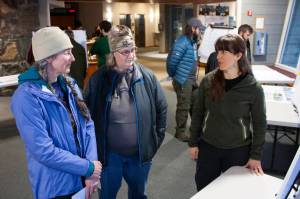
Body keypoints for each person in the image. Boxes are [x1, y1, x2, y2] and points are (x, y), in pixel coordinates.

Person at [11, 26, 101, 199]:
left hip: (82, 179)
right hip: (56, 187)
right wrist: (87, 167)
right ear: (49, 57)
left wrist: (91, 168)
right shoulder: (26, 97)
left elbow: (87, 124)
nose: (73, 58)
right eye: (67, 52)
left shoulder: (70, 85)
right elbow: (43, 150)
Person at [84, 25, 167, 199]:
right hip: (109, 156)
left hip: (139, 155)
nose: (131, 56)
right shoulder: (98, 80)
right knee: (107, 195)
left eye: (133, 50)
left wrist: (153, 142)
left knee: (139, 195)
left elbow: (161, 109)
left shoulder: (147, 77)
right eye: (125, 52)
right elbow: (86, 116)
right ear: (113, 53)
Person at [189, 34, 266, 191]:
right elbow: (197, 113)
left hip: (238, 150)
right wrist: (193, 142)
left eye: (224, 52)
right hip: (208, 147)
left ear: (238, 55)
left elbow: (260, 124)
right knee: (204, 189)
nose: (218, 57)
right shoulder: (208, 80)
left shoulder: (253, 88)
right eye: (217, 52)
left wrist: (256, 156)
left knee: (234, 192)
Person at [166, 17, 205, 142]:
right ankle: (180, 132)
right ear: (193, 29)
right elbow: (172, 62)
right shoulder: (182, 42)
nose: (201, 32)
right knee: (184, 106)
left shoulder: (192, 41)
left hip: (191, 79)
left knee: (196, 105)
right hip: (183, 79)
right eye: (199, 29)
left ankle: (196, 130)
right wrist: (175, 76)